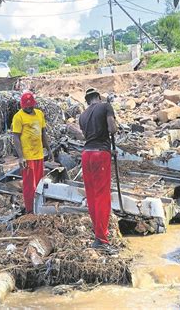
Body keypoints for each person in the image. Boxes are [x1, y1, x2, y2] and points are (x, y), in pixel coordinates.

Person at [79, 87, 118, 252]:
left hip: (86, 155)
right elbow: (112, 129)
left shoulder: (83, 115)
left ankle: (99, 234)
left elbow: (89, 136)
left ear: (87, 101)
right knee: (102, 196)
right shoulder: (105, 106)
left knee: (92, 196)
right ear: (98, 97)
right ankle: (102, 239)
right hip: (99, 155)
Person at [12, 91, 53, 213]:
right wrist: (21, 157)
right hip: (27, 156)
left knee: (40, 184)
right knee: (29, 186)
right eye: (26, 106)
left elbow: (43, 133)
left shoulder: (39, 114)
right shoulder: (18, 117)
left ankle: (39, 207)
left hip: (39, 154)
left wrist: (49, 149)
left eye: (31, 105)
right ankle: (30, 210)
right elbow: (15, 137)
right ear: (22, 106)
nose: (29, 108)